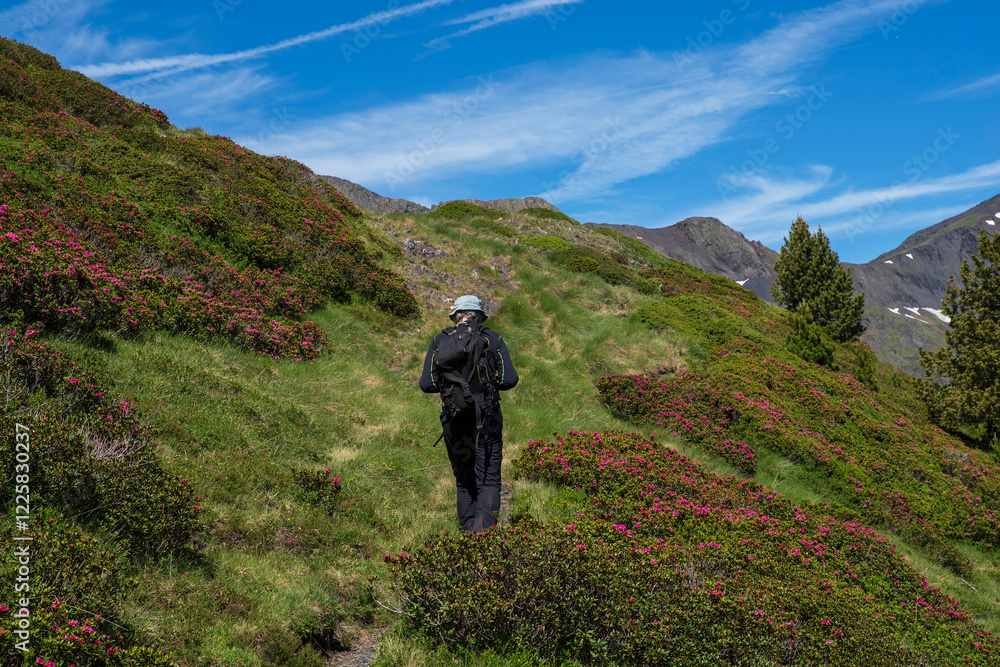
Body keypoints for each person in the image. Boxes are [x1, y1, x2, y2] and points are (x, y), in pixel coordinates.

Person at [420, 295, 518, 532]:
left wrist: (453, 389)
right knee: (489, 480)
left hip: (454, 420)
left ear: (455, 317)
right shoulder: (492, 338)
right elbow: (509, 379)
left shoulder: (440, 340)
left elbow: (427, 384)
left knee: (465, 483)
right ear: (479, 317)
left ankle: (467, 536)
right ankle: (483, 536)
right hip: (488, 420)